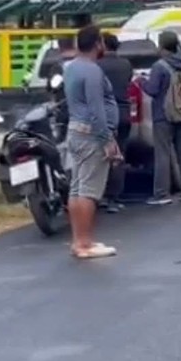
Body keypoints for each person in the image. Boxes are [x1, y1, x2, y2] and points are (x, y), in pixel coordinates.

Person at [62, 25, 121, 259]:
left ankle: (79, 240)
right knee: (89, 190)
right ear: (98, 44)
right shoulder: (92, 71)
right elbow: (96, 108)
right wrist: (107, 139)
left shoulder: (71, 68)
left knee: (77, 187)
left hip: (75, 130)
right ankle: (84, 244)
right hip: (91, 133)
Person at [140, 31, 181, 206]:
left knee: (163, 154)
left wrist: (141, 82)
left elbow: (153, 90)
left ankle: (161, 193)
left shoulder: (159, 66)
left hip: (163, 115)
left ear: (162, 46)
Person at [98, 32, 134, 213]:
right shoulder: (125, 64)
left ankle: (102, 194)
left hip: (104, 115)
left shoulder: (96, 66)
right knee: (119, 156)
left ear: (103, 46)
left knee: (101, 156)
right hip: (124, 114)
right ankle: (114, 197)